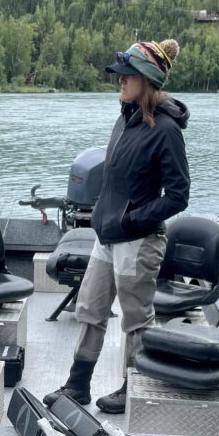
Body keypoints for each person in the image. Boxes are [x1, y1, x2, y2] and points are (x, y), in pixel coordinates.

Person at [43, 38, 190, 414]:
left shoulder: (166, 130)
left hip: (138, 241)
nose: (120, 82)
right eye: (120, 76)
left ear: (146, 79)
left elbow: (177, 196)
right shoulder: (125, 119)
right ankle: (77, 387)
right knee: (90, 309)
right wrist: (105, 218)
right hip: (107, 238)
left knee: (136, 320)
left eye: (127, 76)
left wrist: (131, 220)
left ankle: (133, 385)